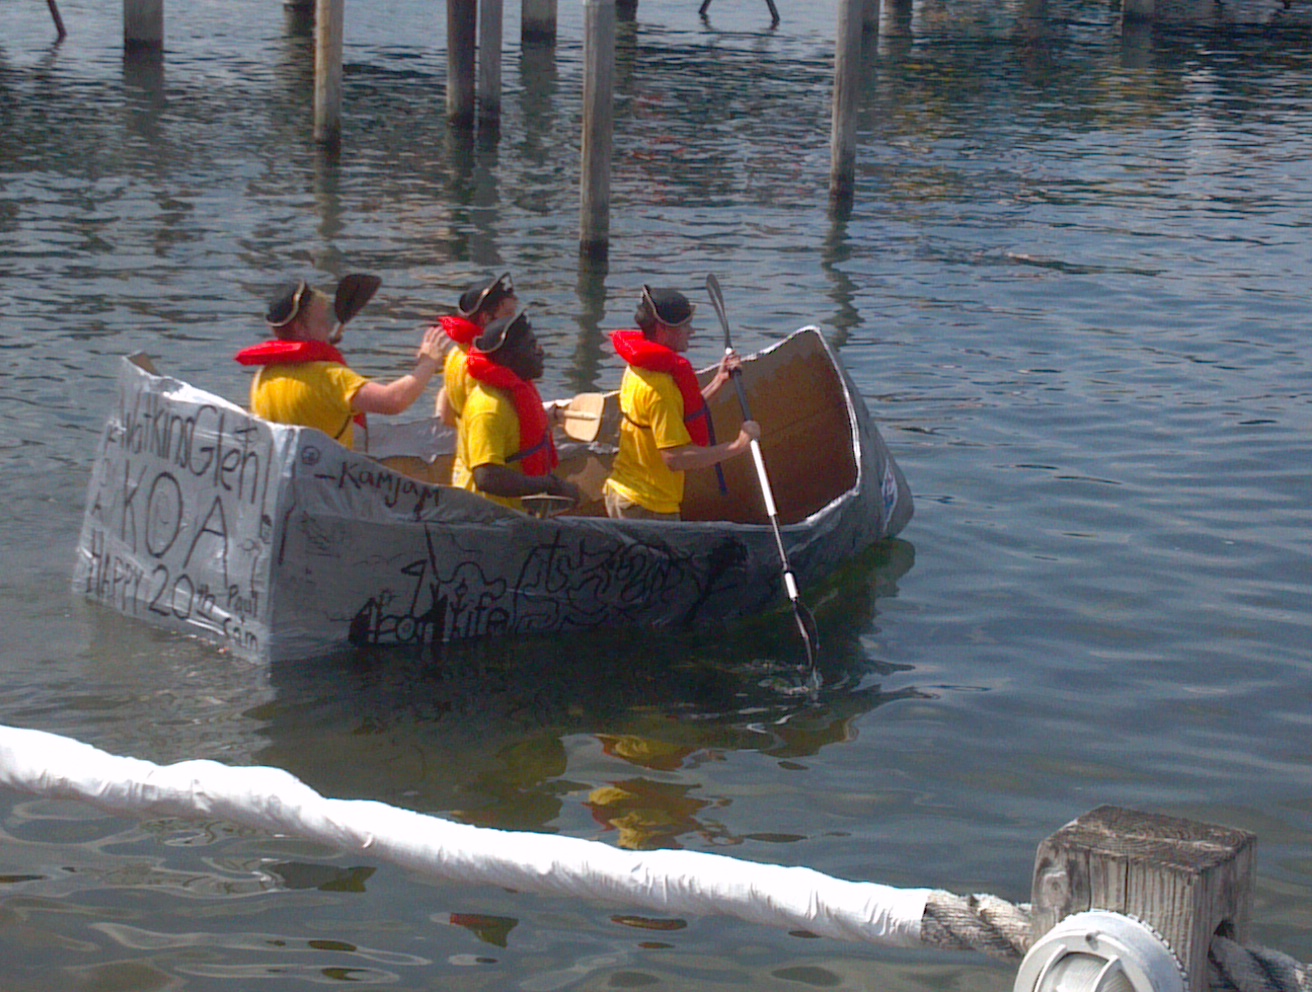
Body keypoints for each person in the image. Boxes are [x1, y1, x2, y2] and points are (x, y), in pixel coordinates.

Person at [602, 286, 760, 521]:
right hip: (647, 507)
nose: (692, 331)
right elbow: (675, 459)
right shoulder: (660, 388)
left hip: (622, 494)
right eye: (685, 326)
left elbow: (676, 415)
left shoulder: (639, 367)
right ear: (664, 330)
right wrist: (738, 446)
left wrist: (719, 380)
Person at [236, 275, 444, 450]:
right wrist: (428, 362)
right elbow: (392, 401)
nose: (329, 326)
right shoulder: (330, 377)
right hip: (327, 486)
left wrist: (321, 345)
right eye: (324, 322)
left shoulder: (262, 378)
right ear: (301, 329)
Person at [458, 310, 581, 513]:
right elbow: (487, 477)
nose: (540, 351)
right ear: (507, 357)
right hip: (484, 519)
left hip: (514, 514)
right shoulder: (489, 409)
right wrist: (548, 485)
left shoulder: (515, 392)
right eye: (531, 346)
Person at [434, 272, 519, 488]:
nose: (516, 322)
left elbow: (445, 415)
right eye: (509, 314)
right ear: (485, 319)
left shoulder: (455, 355)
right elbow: (486, 417)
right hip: (486, 483)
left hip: (463, 471)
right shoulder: (482, 370)